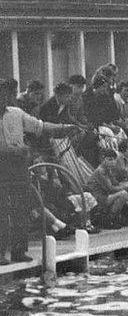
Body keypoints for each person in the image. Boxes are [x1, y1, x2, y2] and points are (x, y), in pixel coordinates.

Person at [0, 78, 79, 265]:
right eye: (4, 93)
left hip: (18, 166)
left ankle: (19, 251)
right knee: (1, 210)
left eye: (9, 93)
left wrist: (64, 128)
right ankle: (0, 253)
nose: (7, 97)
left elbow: (40, 126)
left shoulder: (16, 113)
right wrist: (14, 150)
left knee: (22, 207)